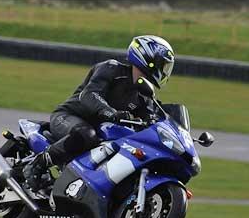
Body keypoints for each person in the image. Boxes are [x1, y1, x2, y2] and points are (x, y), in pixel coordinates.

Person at [23, 35, 175, 191]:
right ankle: (37, 165)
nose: (164, 70)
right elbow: (89, 95)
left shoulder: (144, 96)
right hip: (69, 116)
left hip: (99, 132)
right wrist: (111, 113)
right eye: (162, 64)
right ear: (147, 57)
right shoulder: (111, 69)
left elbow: (153, 118)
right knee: (86, 134)